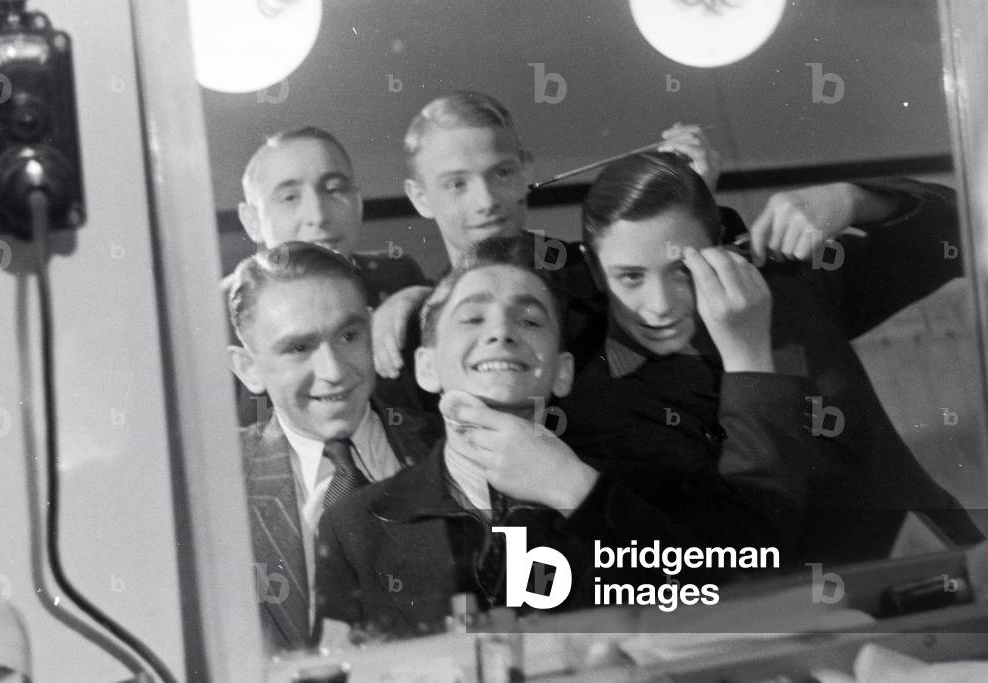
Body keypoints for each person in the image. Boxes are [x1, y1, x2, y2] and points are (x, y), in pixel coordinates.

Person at [316, 244, 811, 639]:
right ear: (426, 367)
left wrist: (578, 492)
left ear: (563, 371)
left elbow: (742, 613)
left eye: (530, 321)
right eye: (472, 318)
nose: (502, 332)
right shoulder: (356, 524)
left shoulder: (645, 488)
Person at [560, 151, 982, 563]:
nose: (660, 305)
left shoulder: (786, 286)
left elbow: (962, 239)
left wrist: (854, 199)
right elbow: (743, 551)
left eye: (684, 269)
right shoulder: (594, 408)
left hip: (952, 561)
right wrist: (749, 361)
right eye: (631, 277)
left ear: (721, 246)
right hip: (805, 605)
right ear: (594, 270)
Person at [372, 90, 723, 388]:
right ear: (419, 197)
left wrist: (693, 199)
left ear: (527, 169)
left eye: (502, 173)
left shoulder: (598, 271)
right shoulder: (413, 324)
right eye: (456, 184)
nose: (486, 201)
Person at [226, 241, 440, 652]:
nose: (334, 370)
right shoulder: (217, 488)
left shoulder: (452, 448)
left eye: (347, 336)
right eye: (299, 348)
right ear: (249, 368)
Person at [235, 126, 430, 418]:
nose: (318, 216)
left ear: (358, 203)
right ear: (252, 221)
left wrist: (419, 296)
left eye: (334, 189)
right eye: (290, 197)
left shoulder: (396, 278)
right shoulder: (219, 315)